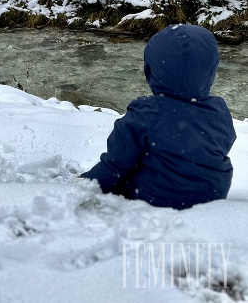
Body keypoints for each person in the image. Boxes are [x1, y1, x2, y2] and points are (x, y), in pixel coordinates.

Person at [81, 24, 236, 210]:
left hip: (156, 198)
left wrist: (85, 184)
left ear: (151, 69)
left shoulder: (145, 112)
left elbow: (116, 166)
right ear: (210, 71)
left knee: (129, 171)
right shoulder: (220, 112)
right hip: (212, 196)